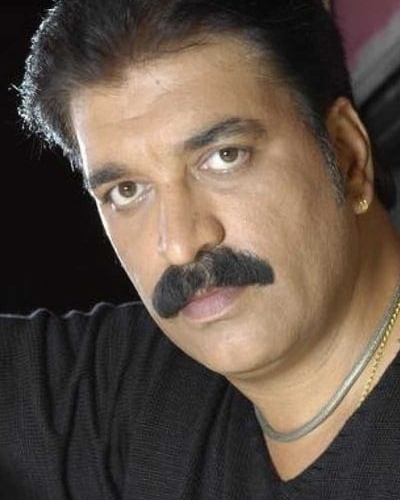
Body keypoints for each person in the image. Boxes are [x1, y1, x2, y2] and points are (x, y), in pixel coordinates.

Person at [2, 0, 400, 498]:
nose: (180, 245)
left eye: (224, 157)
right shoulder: (129, 387)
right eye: (126, 190)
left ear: (347, 153)